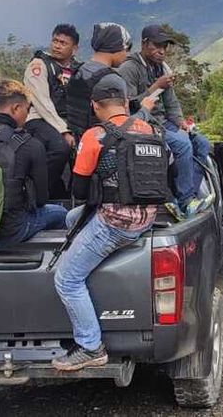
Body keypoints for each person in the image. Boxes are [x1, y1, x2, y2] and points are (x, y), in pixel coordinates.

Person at [52, 78, 167, 371]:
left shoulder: (96, 136)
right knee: (70, 220)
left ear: (95, 105)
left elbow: (78, 191)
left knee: (67, 279)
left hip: (114, 224)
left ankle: (90, 346)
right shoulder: (153, 130)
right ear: (127, 102)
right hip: (147, 217)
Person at [118, 25, 211, 218]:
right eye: (157, 46)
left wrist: (180, 123)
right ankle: (186, 201)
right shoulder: (130, 68)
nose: (162, 51)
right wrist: (155, 87)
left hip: (163, 122)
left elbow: (171, 102)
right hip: (143, 123)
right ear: (144, 44)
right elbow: (130, 104)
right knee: (183, 144)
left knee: (202, 143)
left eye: (164, 46)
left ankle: (188, 196)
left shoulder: (162, 67)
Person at [0, 80, 66, 245]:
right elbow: (41, 200)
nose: (27, 117)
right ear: (16, 108)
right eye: (27, 110)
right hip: (9, 232)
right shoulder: (29, 144)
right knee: (62, 213)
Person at [23, 24, 81, 198]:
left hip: (70, 120)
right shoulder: (39, 65)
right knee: (60, 147)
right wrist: (63, 130)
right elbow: (41, 101)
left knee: (88, 150)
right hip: (39, 119)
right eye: (55, 40)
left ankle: (72, 196)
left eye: (63, 43)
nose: (57, 46)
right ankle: (34, 192)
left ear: (74, 48)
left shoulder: (78, 70)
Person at [67, 22, 133, 139]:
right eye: (127, 49)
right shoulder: (113, 80)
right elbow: (122, 125)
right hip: (103, 145)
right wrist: (146, 110)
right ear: (117, 48)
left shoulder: (79, 70)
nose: (127, 55)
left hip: (81, 140)